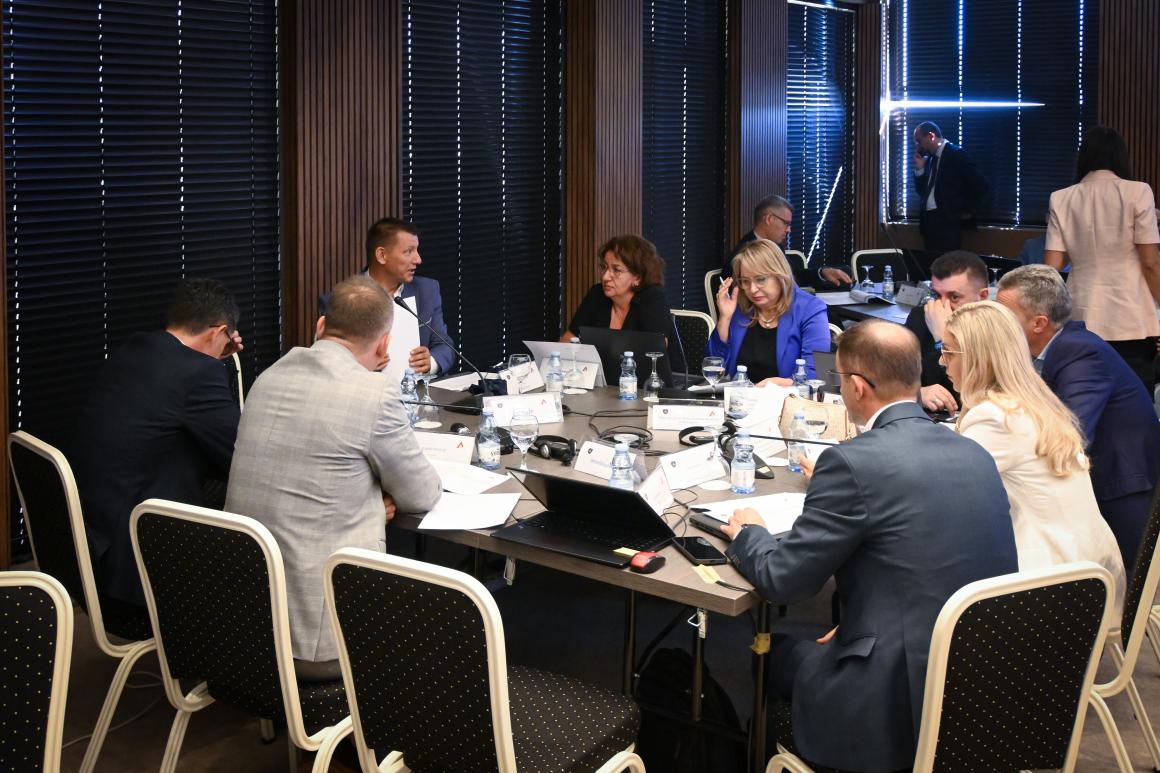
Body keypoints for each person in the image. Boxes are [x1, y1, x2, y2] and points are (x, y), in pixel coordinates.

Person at [721, 319, 1017, 773]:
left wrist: (750, 533)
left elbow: (782, 581)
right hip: (979, 684)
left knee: (772, 650)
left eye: (840, 378)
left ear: (857, 386)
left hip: (888, 699)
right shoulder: (972, 451)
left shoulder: (851, 461)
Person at [226, 276, 441, 679]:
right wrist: (369, 503)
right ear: (384, 346)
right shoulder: (373, 394)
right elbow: (421, 495)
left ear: (321, 326)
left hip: (245, 626)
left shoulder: (268, 378)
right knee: (438, 622)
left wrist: (356, 497)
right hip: (314, 644)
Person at [941, 300, 1125, 615]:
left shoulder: (994, 416)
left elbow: (948, 493)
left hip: (1047, 588)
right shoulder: (1036, 403)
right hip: (1091, 573)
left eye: (948, 352)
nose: (942, 362)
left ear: (977, 358)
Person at [69, 278, 243, 609]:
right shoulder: (198, 373)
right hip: (135, 557)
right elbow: (237, 452)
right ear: (219, 331)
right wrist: (214, 364)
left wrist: (213, 358)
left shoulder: (136, 347)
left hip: (96, 534)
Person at [997, 265, 1160, 575]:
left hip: (1121, 485)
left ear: (1039, 323)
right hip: (1094, 481)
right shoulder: (1045, 352)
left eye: (1005, 315)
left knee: (1128, 588)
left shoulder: (1080, 350)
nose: (998, 322)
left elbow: (1071, 433)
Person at [1044, 126, 1160, 390]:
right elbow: (1151, 263)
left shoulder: (1061, 198)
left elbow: (1052, 266)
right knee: (1132, 396)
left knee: (1084, 394)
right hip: (1131, 315)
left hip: (1080, 312)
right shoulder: (1138, 192)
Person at [323, 217, 454, 375]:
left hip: (416, 388)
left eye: (417, 250)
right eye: (408, 252)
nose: (418, 260)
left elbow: (445, 346)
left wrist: (430, 362)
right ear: (382, 255)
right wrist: (363, 366)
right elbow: (329, 360)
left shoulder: (427, 290)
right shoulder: (341, 300)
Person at [708, 239, 830, 384]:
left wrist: (773, 386)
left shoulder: (810, 309)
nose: (752, 289)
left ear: (780, 275)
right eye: (745, 281)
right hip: (740, 396)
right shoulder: (740, 308)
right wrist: (725, 318)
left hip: (789, 397)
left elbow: (814, 375)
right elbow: (714, 369)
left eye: (761, 279)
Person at [903, 250, 990, 414]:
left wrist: (943, 337)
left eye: (954, 297)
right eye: (937, 295)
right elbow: (894, 381)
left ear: (983, 296)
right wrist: (916, 394)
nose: (943, 306)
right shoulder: (920, 317)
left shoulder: (996, 329)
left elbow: (970, 398)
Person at [560, 235, 674, 343]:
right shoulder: (597, 294)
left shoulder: (653, 299)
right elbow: (567, 341)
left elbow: (656, 351)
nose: (605, 277)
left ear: (637, 277)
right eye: (604, 267)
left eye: (617, 270)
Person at [722, 195, 853, 288]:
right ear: (769, 219)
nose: (789, 230)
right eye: (786, 223)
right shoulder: (744, 253)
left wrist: (822, 272)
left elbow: (794, 276)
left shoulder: (775, 245)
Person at [913, 121, 990, 253]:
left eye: (919, 141)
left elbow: (981, 184)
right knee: (930, 262)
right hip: (929, 223)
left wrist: (967, 210)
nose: (917, 146)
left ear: (931, 136)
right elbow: (923, 193)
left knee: (947, 263)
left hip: (947, 222)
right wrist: (920, 169)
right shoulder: (930, 158)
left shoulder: (955, 154)